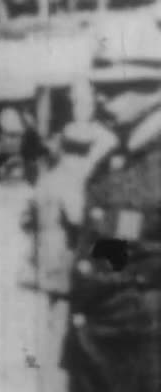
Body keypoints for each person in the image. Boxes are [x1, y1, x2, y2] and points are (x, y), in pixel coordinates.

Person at [63, 86, 161, 392]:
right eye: (99, 88)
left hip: (143, 349)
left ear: (155, 89)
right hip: (95, 344)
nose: (102, 97)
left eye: (115, 88)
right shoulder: (112, 154)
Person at [19, 121, 114, 392]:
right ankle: (60, 376)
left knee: (55, 317)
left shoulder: (49, 176)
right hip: (67, 257)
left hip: (45, 255)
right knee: (69, 320)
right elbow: (79, 220)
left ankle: (51, 371)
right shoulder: (76, 178)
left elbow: (26, 219)